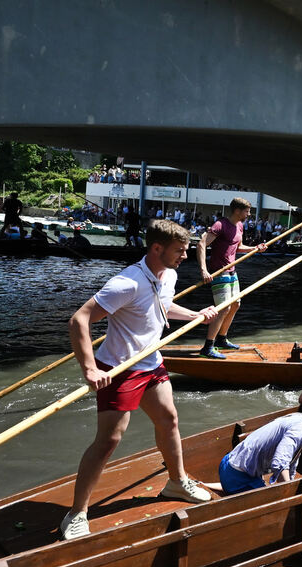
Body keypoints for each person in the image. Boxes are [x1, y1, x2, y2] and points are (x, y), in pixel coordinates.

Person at [60, 220, 219, 541]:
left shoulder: (169, 275)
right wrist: (90, 369)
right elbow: (79, 319)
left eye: (187, 250)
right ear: (156, 248)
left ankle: (176, 482)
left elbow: (160, 307)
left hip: (150, 362)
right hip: (119, 367)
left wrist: (194, 315)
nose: (184, 257)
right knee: (109, 440)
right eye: (179, 251)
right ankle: (76, 513)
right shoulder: (127, 283)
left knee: (169, 420)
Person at [219, 396, 302, 492]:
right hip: (236, 475)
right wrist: (289, 492)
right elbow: (280, 461)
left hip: (231, 464)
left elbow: (292, 459)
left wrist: (290, 481)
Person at [197, 197, 266, 359]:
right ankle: (208, 346)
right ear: (237, 210)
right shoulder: (220, 225)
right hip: (218, 271)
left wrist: (255, 249)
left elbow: (238, 247)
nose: (249, 214)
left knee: (235, 304)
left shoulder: (240, 226)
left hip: (232, 271)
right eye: (247, 211)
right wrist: (203, 270)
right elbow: (201, 244)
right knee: (224, 308)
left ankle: (221, 339)